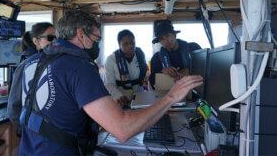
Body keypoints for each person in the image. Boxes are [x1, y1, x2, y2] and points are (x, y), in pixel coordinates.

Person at [18, 10, 203, 155]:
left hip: (29, 150)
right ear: (81, 34)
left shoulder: (33, 62)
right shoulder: (78, 65)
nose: (96, 45)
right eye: (96, 39)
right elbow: (122, 129)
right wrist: (172, 97)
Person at [7, 22, 56, 129]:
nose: (55, 41)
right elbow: (14, 106)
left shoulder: (55, 63)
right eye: (50, 38)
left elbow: (13, 106)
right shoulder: (26, 65)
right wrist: (26, 129)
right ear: (36, 41)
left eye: (56, 38)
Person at [149, 20, 201, 89]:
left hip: (195, 92)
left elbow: (206, 69)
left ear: (174, 35)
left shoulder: (194, 48)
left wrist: (189, 70)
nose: (166, 41)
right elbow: (152, 83)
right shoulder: (156, 58)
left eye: (167, 36)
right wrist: (162, 72)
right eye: (161, 39)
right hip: (170, 94)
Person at [104, 29, 147, 107]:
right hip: (120, 99)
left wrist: (145, 91)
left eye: (132, 43)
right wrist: (119, 96)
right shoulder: (111, 59)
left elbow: (144, 78)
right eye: (125, 44)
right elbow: (109, 84)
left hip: (139, 96)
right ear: (119, 45)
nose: (130, 46)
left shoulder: (140, 56)